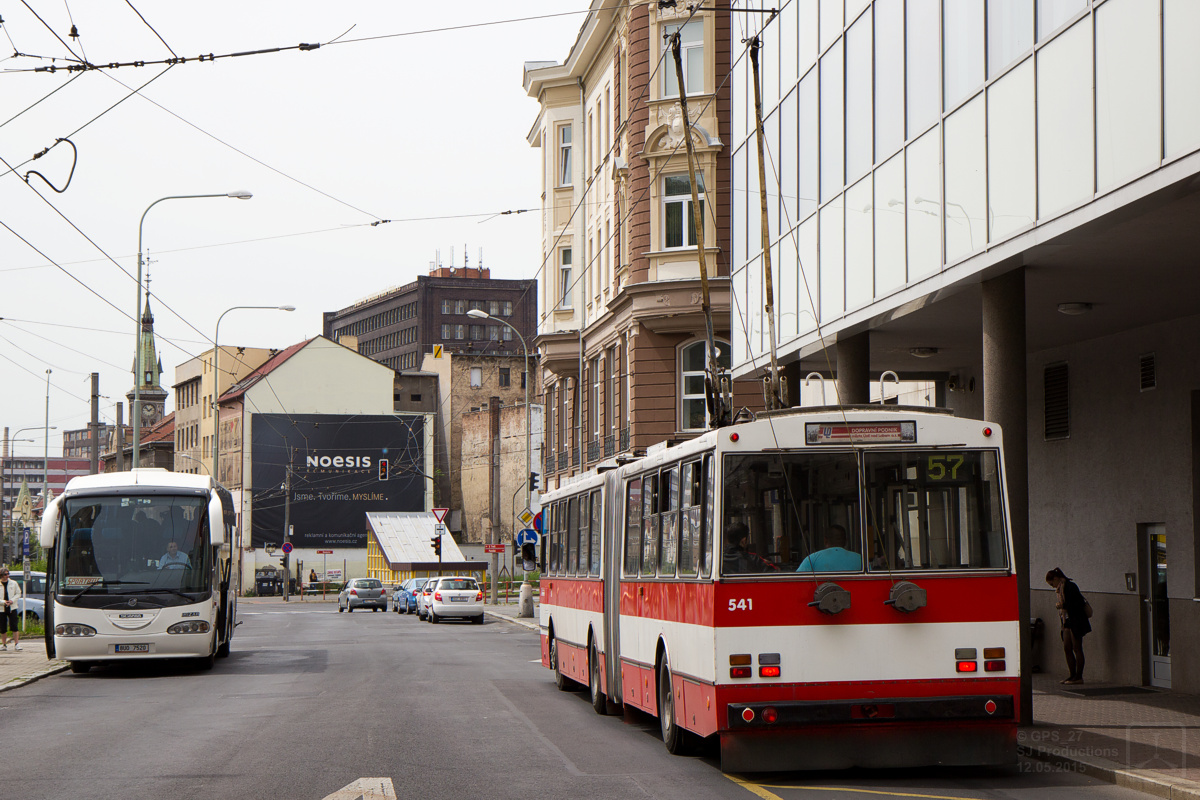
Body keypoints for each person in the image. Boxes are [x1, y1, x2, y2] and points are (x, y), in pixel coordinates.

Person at [1046, 567, 1091, 684]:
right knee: (1067, 647)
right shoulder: (1060, 589)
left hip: (1076, 620)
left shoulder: (1070, 586)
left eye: (1052, 584)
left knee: (1077, 648)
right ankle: (1072, 675)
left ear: (1056, 579)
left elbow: (1077, 603)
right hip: (1067, 621)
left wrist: (1063, 605)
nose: (1053, 587)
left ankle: (1078, 676)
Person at [796, 524, 863, 573]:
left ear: (825, 540)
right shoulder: (861, 560)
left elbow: (798, 582)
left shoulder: (812, 559)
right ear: (846, 541)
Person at [0, 567, 23, 651]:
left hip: (12, 608)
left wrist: (11, 601)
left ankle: (17, 643)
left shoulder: (13, 583)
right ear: (1, 575)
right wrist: (3, 602)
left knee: (14, 626)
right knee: (2, 627)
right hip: (1, 608)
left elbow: (18, 593)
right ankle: (4, 644)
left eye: (8, 574)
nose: (7, 576)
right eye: (5, 574)